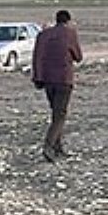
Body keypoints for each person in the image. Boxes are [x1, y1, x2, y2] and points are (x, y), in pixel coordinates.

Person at [31, 9, 83, 163]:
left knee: (55, 112)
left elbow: (37, 56)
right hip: (63, 79)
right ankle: (48, 146)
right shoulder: (70, 33)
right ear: (67, 21)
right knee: (60, 115)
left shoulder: (43, 34)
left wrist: (37, 77)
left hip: (47, 80)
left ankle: (57, 148)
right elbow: (78, 57)